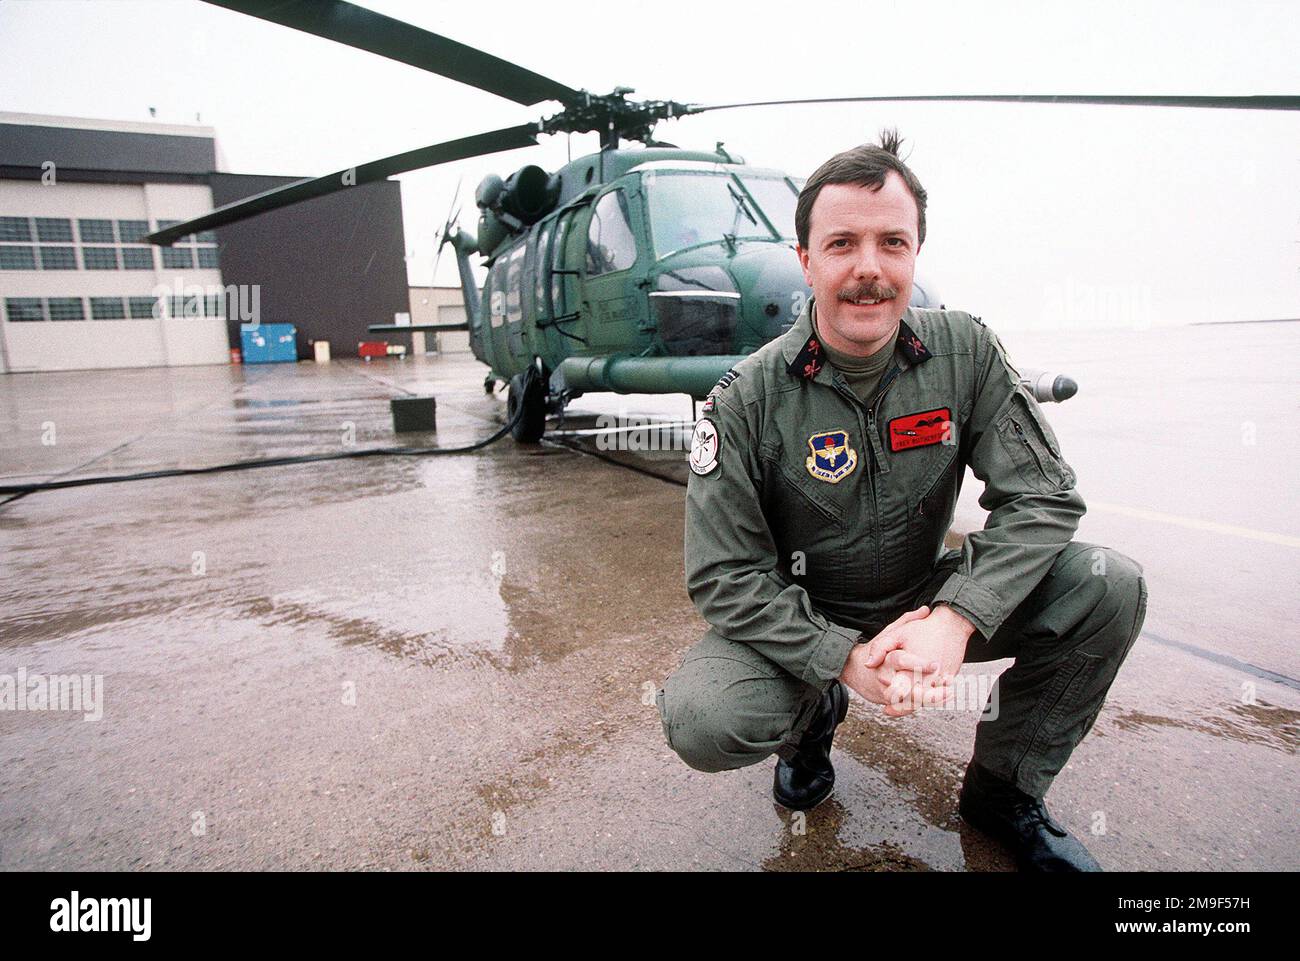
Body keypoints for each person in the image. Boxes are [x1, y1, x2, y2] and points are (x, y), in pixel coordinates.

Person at [656, 131, 1148, 872]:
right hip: (809, 612)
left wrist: (955, 618)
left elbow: (1044, 496)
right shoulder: (744, 398)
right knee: (702, 717)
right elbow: (726, 576)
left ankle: (1003, 792)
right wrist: (841, 659)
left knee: (1110, 586)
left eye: (892, 242)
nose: (868, 270)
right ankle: (811, 718)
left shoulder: (964, 352)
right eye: (842, 244)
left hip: (926, 596)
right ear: (806, 262)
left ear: (916, 253)